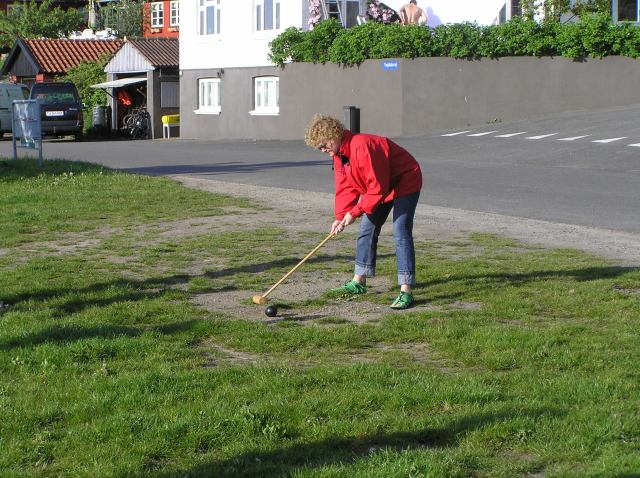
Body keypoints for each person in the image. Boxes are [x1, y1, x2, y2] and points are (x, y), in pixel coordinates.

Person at [304, 114, 422, 310]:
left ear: (334, 136)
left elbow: (376, 187)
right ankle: (359, 282)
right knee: (367, 230)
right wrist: (340, 216)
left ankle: (406, 289)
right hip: (381, 186)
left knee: (400, 231)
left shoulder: (361, 146)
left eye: (323, 145)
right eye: (319, 148)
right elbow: (345, 187)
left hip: (405, 180)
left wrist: (354, 213)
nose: (323, 150)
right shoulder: (339, 155)